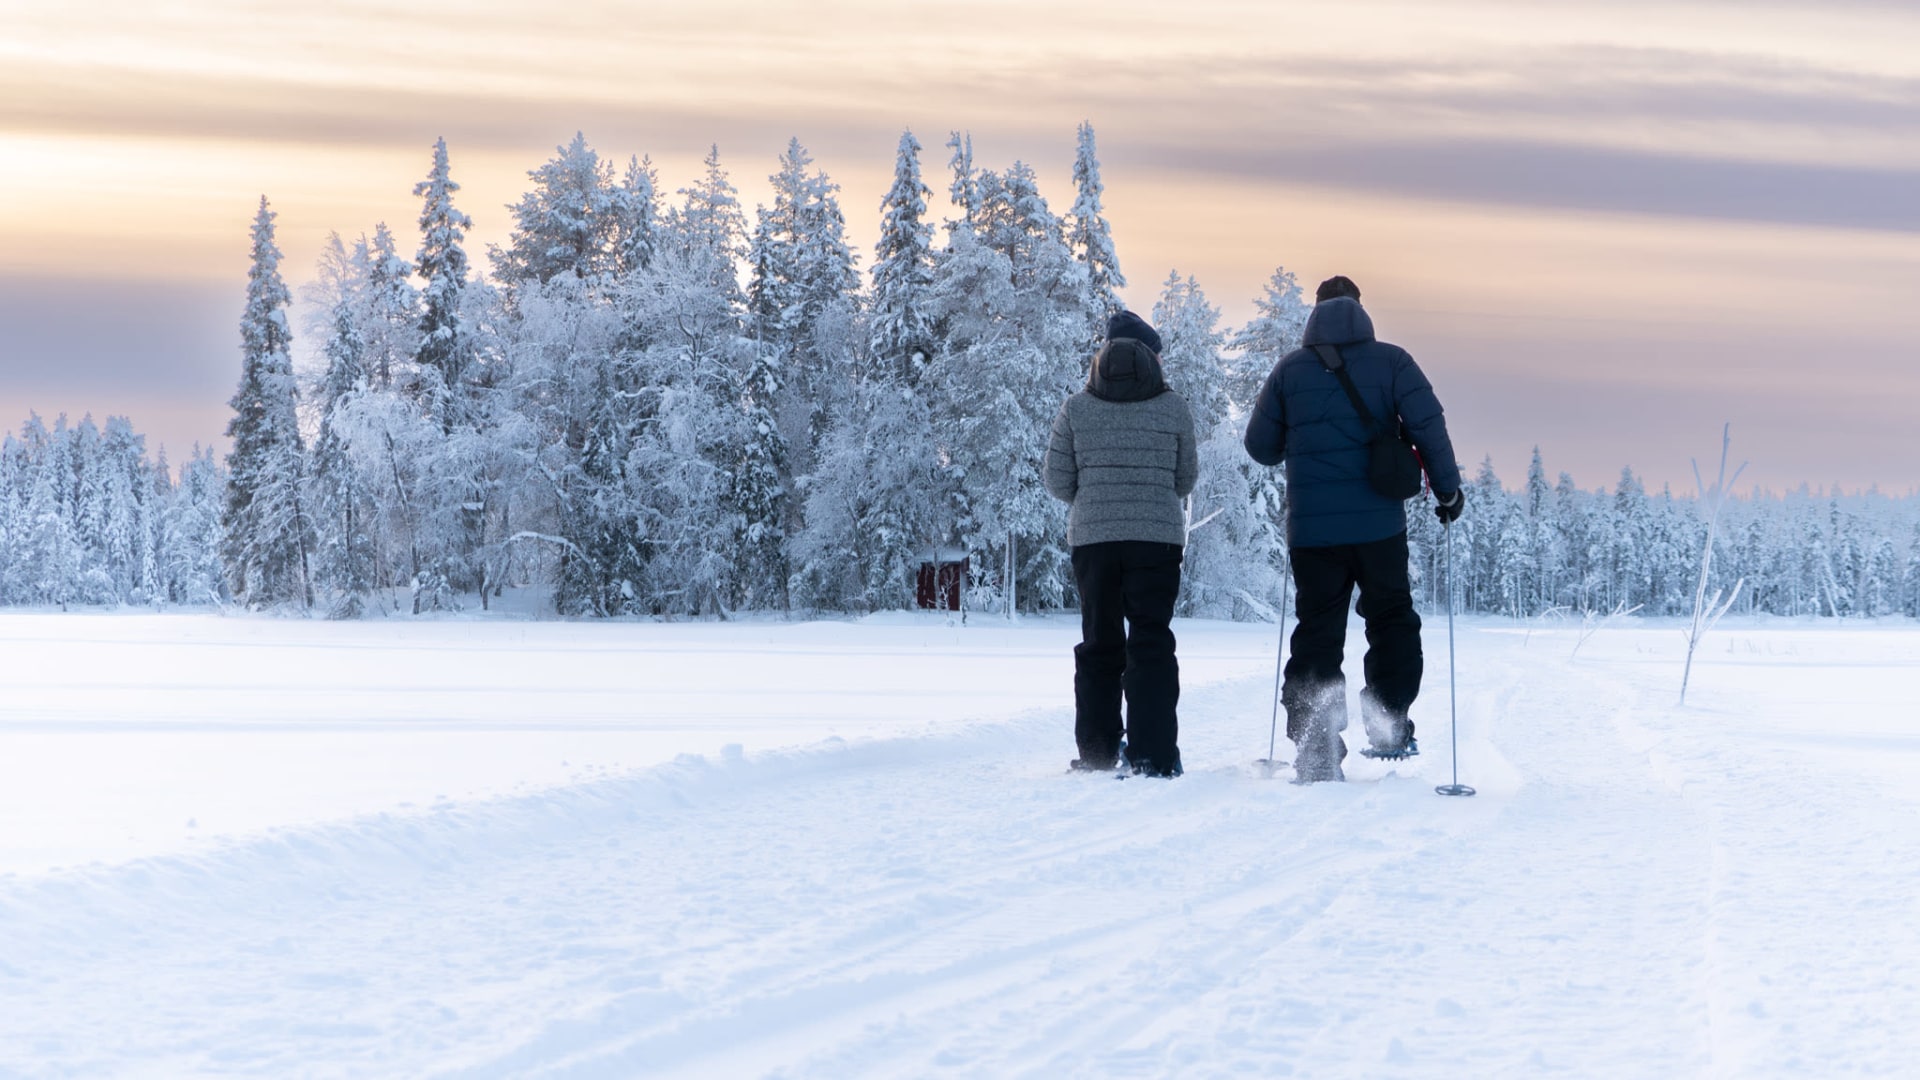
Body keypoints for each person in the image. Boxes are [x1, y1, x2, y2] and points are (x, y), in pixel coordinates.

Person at [1242, 275, 1464, 783]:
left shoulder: (1289, 372)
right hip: (1379, 528)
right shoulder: (1393, 362)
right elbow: (1430, 426)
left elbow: (1260, 446)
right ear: (1361, 310)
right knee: (1390, 618)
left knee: (1318, 630)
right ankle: (1388, 718)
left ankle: (1316, 740)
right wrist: (1448, 493)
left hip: (1313, 534)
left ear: (1314, 313)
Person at [1044, 311, 1199, 778]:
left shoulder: (1077, 407)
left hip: (1094, 540)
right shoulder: (1174, 407)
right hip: (1157, 540)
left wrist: (1095, 501)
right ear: (1153, 360)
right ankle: (1153, 754)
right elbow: (1185, 478)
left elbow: (1056, 480)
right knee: (1151, 642)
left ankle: (1096, 752)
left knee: (1099, 643)